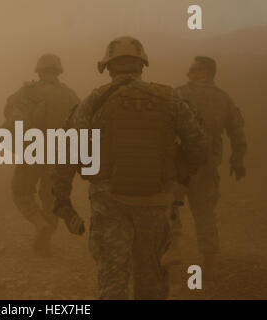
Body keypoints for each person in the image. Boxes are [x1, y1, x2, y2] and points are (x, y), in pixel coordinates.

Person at [51, 37, 208, 299]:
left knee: (113, 280)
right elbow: (199, 146)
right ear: (141, 65)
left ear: (109, 67)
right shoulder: (169, 98)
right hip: (156, 202)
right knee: (153, 280)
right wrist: (179, 177)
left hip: (110, 201)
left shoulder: (94, 101)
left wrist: (62, 199)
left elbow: (66, 152)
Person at [174, 56, 247, 279]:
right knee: (205, 214)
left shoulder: (179, 94)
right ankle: (209, 261)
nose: (188, 72)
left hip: (179, 166)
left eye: (193, 69)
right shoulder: (224, 99)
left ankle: (172, 254)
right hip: (206, 167)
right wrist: (237, 160)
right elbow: (237, 132)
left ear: (205, 71)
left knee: (170, 210)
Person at [2, 54, 80, 256]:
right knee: (52, 198)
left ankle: (39, 223)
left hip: (32, 150)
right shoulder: (69, 95)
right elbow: (81, 122)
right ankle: (46, 238)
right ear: (59, 71)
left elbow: (8, 111)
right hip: (59, 154)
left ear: (39, 71)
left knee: (20, 191)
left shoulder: (28, 90)